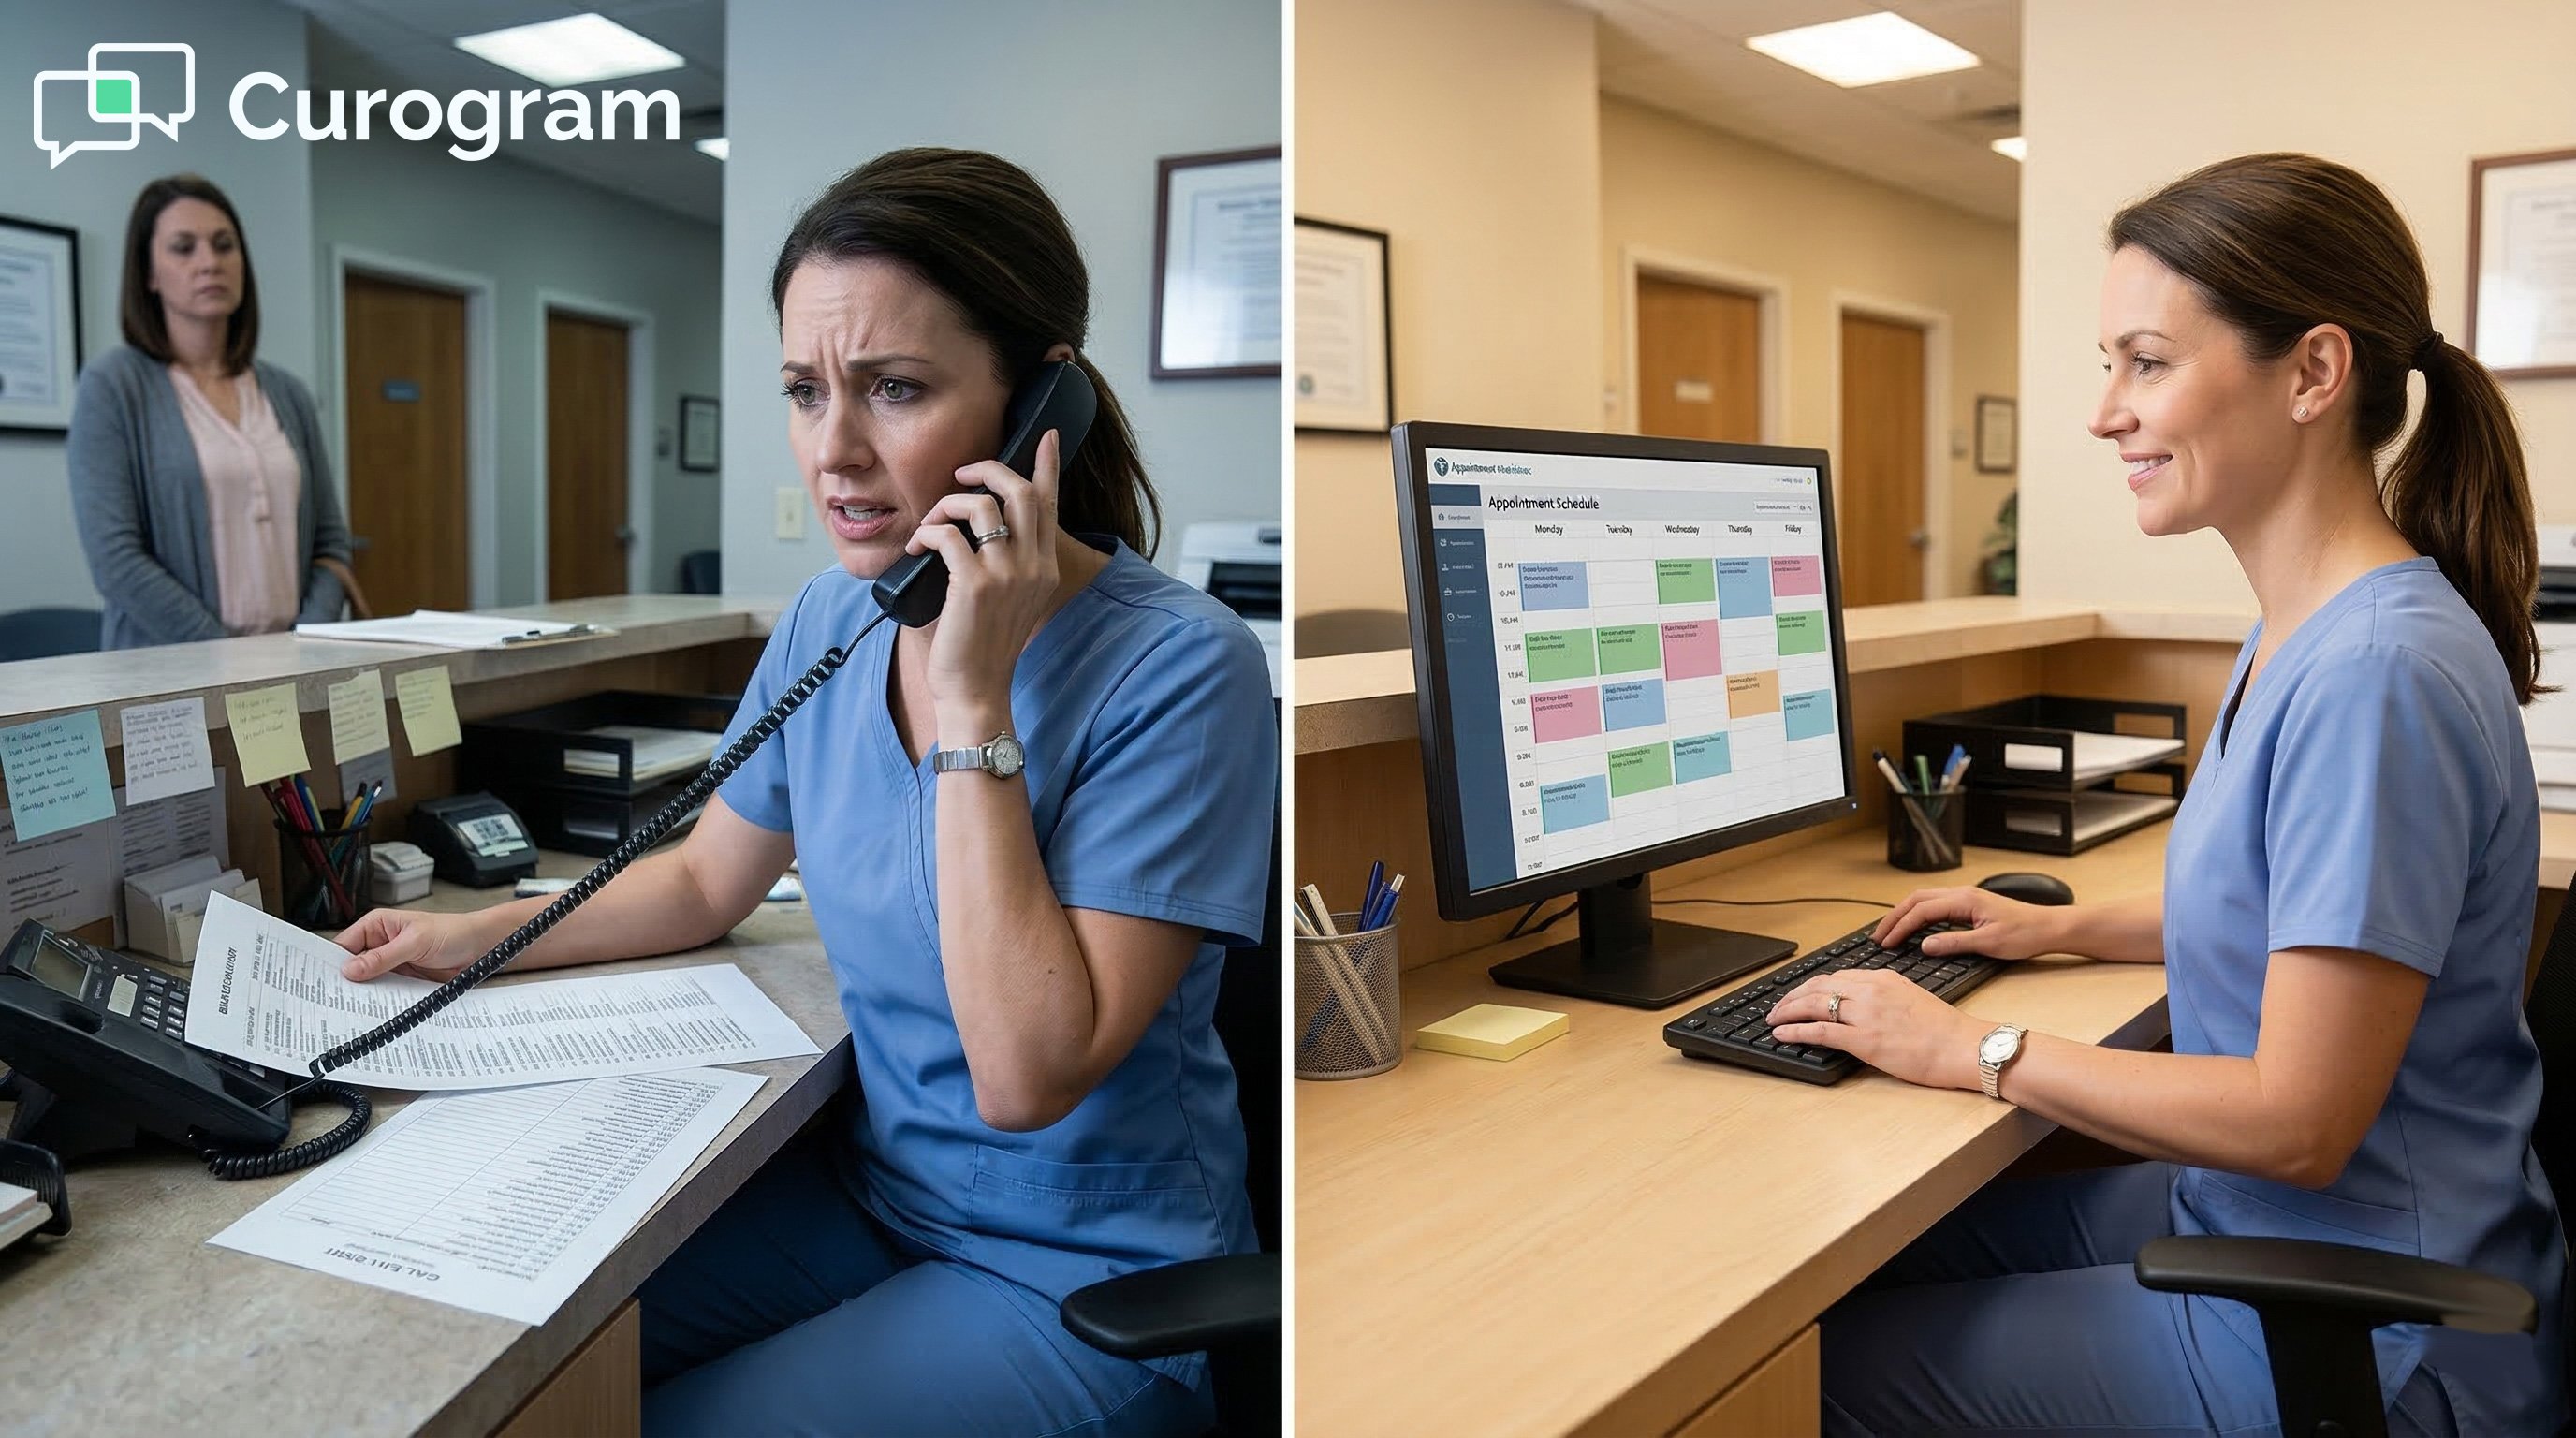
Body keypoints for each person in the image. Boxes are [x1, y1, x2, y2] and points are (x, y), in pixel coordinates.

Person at [331, 148, 1275, 1437]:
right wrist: (467, 936)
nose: (834, 451)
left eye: (893, 389)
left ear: (1036, 407)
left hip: (1092, 1277)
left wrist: (974, 696)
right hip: (877, 1199)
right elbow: (707, 877)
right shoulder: (831, 624)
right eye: (802, 390)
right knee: (513, 1365)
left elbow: (1026, 1074)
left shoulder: (1181, 668)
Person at [1764, 153, 2566, 1436]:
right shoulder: (2298, 627)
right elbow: (2293, 910)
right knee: (1862, 1258)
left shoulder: (2376, 677)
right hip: (2274, 1220)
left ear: (2312, 372)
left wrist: (1973, 1049)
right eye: (2110, 364)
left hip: (2375, 1312)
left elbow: (2300, 1120)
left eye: (2145, 361)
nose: (2103, 414)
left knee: (1817, 1377)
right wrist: (2053, 928)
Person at [68, 174, 350, 649]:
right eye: (184, 247)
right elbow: (116, 560)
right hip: (169, 678)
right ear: (149, 274)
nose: (209, 262)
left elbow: (331, 543)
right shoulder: (112, 386)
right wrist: (222, 654)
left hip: (292, 668)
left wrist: (306, 643)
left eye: (224, 246)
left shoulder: (289, 393)